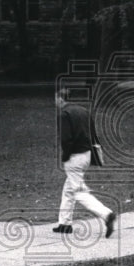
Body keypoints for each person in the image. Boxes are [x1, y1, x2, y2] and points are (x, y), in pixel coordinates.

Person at [54, 87, 115, 237]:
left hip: (74, 156)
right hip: (87, 154)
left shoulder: (64, 114)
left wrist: (65, 156)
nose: (55, 102)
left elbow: (66, 139)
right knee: (69, 189)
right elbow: (93, 132)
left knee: (79, 192)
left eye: (55, 98)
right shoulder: (83, 110)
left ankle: (106, 214)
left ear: (60, 99)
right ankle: (64, 224)